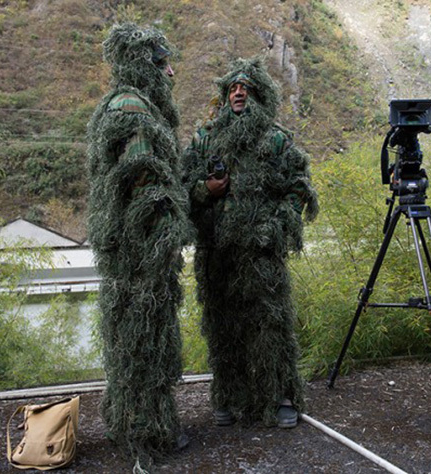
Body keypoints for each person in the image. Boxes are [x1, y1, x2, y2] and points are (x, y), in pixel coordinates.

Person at [183, 57, 319, 428]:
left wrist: (276, 226)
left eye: (246, 88)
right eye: (232, 88)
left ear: (259, 96)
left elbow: (298, 187)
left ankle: (279, 397)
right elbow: (183, 187)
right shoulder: (205, 137)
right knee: (223, 326)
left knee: (268, 325)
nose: (238, 92)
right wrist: (204, 189)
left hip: (261, 254)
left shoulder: (275, 139)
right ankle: (230, 395)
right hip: (218, 253)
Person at [85, 22, 188, 467]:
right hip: (141, 253)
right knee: (146, 342)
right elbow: (142, 177)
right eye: (163, 64)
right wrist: (166, 233)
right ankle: (148, 435)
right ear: (145, 64)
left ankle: (130, 426)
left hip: (128, 252)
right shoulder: (133, 107)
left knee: (130, 341)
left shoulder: (124, 104)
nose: (170, 74)